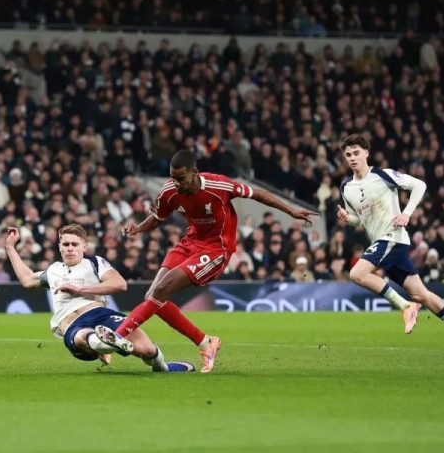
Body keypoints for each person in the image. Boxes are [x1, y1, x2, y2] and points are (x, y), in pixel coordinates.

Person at [97, 150, 318, 372]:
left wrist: (290, 211)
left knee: (161, 290)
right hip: (190, 243)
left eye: (181, 178)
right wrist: (138, 228)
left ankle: (116, 338)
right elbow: (157, 218)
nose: (176, 183)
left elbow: (257, 194)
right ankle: (205, 342)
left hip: (216, 250)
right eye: (173, 177)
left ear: (195, 172)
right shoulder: (170, 191)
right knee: (153, 297)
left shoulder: (218, 185)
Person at [336, 134, 444, 358]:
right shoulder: (347, 187)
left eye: (356, 153)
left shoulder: (382, 175)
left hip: (393, 238)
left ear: (366, 153)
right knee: (421, 295)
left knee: (357, 274)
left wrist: (406, 213)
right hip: (383, 243)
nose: (352, 158)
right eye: (348, 155)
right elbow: (358, 220)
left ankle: (405, 306)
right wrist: (348, 218)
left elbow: (419, 185)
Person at [4, 224, 194, 372]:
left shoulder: (95, 263)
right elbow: (27, 280)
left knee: (148, 350)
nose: (70, 248)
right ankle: (106, 342)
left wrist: (80, 290)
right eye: (66, 244)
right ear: (59, 246)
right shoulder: (53, 270)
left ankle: (161, 366)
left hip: (102, 314)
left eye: (75, 244)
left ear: (84, 246)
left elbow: (119, 284)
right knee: (82, 338)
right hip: (71, 324)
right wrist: (10, 247)